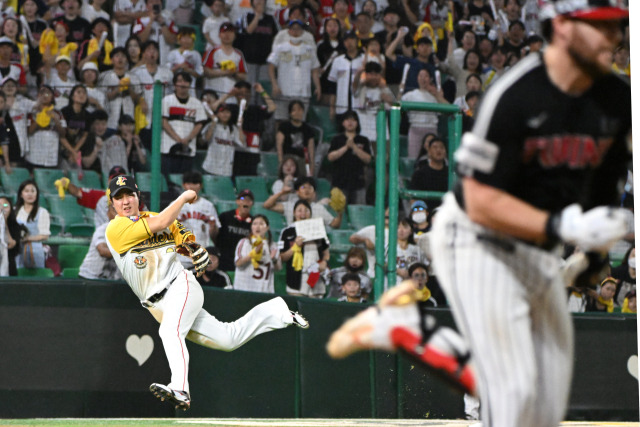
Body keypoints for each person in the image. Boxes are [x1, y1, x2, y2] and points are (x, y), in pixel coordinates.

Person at [328, 2, 632, 427]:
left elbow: (603, 183)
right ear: (561, 27)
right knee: (511, 391)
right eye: (600, 27)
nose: (615, 37)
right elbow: (479, 199)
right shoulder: (515, 94)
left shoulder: (617, 98)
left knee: (543, 410)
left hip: (536, 245)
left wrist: (595, 253)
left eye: (616, 26)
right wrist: (560, 225)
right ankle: (408, 329)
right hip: (476, 236)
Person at [104, 174, 309, 410]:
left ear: (138, 196)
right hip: (157, 305)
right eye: (119, 198)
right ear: (112, 203)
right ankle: (277, 311)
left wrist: (191, 247)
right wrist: (183, 198)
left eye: (129, 194)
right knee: (228, 338)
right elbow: (162, 223)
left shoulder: (157, 218)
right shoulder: (116, 228)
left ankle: (180, 388)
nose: (126, 201)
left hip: (180, 287)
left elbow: (180, 233)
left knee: (169, 332)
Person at [267, 20, 321, 122]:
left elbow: (315, 69)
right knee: (281, 120)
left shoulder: (309, 49)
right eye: (293, 29)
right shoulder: (280, 48)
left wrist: (318, 86)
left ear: (302, 31)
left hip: (303, 92)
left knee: (300, 121)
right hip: (283, 91)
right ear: (289, 31)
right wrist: (274, 85)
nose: (295, 31)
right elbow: (271, 66)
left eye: (298, 29)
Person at [279, 199, 330, 298]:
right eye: (299, 210)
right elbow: (282, 257)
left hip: (316, 277)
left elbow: (326, 252)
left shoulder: (318, 229)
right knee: (295, 311)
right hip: (296, 279)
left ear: (310, 213)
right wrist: (295, 247)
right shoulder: (287, 232)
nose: (303, 213)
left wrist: (324, 262)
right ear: (294, 213)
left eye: (306, 210)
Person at [160, 72, 207, 175]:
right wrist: (178, 139)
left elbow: (199, 124)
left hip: (188, 149)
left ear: (190, 84)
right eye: (180, 81)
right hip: (168, 148)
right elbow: (163, 121)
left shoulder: (196, 103)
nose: (183, 84)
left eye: (186, 81)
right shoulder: (167, 100)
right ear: (175, 84)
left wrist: (187, 139)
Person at [326, 110, 372, 205]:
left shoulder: (363, 140)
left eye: (353, 120)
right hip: (339, 182)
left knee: (359, 212)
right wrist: (346, 147)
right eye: (347, 120)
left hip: (358, 183)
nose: (350, 122)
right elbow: (330, 157)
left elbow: (368, 159)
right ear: (343, 123)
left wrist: (354, 147)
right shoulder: (337, 139)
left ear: (357, 123)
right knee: (338, 211)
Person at [399, 69, 448, 158]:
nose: (423, 78)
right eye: (420, 76)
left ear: (430, 79)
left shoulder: (435, 96)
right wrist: (400, 90)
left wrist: (438, 96)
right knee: (413, 157)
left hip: (431, 128)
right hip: (415, 128)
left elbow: (447, 109)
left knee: (433, 157)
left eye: (426, 76)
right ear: (417, 78)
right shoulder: (410, 95)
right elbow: (397, 104)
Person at [176, 171, 220, 268]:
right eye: (188, 183)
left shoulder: (208, 206)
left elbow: (215, 235)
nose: (191, 186)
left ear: (200, 186)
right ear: (184, 185)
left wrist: (213, 227)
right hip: (180, 257)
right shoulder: (175, 205)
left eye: (195, 183)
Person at [264, 176, 342, 229]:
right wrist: (282, 193)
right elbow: (267, 205)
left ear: (314, 192)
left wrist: (340, 212)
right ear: (297, 192)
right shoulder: (290, 206)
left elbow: (335, 224)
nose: (307, 190)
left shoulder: (319, 208)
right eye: (303, 187)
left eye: (310, 188)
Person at [234, 214, 280, 293]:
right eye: (255, 224)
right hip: (244, 289)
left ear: (267, 227)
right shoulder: (245, 242)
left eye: (261, 224)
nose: (258, 227)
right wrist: (253, 253)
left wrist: (273, 259)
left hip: (264, 291)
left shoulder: (273, 245)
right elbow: (238, 263)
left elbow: (278, 268)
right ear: (251, 227)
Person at [201, 102, 246, 177]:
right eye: (222, 112)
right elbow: (205, 139)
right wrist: (213, 122)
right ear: (218, 114)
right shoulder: (211, 125)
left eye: (227, 112)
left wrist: (240, 127)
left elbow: (242, 144)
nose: (225, 114)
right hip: (210, 167)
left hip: (226, 169)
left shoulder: (233, 129)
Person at [78, 205, 121, 280]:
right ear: (108, 214)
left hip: (110, 279)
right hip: (89, 278)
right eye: (114, 211)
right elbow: (102, 251)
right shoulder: (103, 229)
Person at [15, 179, 51, 269]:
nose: (30, 194)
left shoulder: (42, 212)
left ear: (37, 194)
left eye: (33, 191)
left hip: (35, 250)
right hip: (16, 251)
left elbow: (44, 236)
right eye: (26, 191)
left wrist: (27, 238)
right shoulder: (14, 210)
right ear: (21, 194)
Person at [275, 100, 316, 176]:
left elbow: (311, 149)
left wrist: (312, 165)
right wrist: (281, 161)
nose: (297, 112)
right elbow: (279, 145)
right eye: (294, 110)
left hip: (302, 160)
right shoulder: (284, 126)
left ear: (303, 111)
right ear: (290, 113)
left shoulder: (308, 129)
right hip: (288, 158)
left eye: (299, 109)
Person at [216, 189, 254, 271]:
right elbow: (215, 235)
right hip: (223, 260)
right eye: (243, 199)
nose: (246, 202)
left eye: (249, 200)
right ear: (237, 202)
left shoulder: (253, 223)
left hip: (241, 263)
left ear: (252, 204)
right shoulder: (225, 217)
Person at [409, 136, 448, 208]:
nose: (438, 150)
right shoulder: (419, 174)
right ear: (429, 151)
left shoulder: (451, 174)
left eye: (441, 147)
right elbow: (413, 198)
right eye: (435, 147)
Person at [0, 196, 23, 276]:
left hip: (9, 267)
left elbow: (11, 244)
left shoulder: (16, 227)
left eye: (5, 205)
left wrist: (4, 223)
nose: (2, 208)